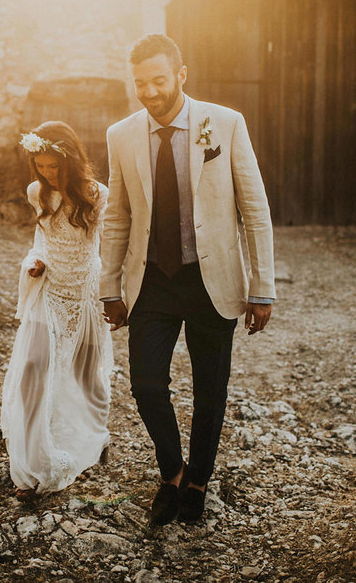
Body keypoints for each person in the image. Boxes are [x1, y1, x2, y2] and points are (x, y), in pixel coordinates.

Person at [100, 34, 275, 525]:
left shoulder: (224, 124)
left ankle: (198, 481)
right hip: (152, 279)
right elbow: (117, 217)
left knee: (210, 389)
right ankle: (171, 471)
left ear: (181, 74)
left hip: (211, 280)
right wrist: (109, 288)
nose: (150, 92)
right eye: (140, 83)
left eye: (159, 80)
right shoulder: (121, 134)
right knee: (146, 384)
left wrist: (262, 289)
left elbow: (254, 211)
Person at [1, 120, 113, 500]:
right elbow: (41, 240)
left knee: (87, 375)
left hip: (85, 294)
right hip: (48, 292)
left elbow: (109, 248)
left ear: (71, 160)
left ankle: (97, 437)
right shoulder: (37, 192)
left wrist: (116, 293)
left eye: (54, 166)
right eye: (41, 166)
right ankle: (36, 460)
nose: (47, 174)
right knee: (33, 367)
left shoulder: (97, 195)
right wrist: (36, 261)